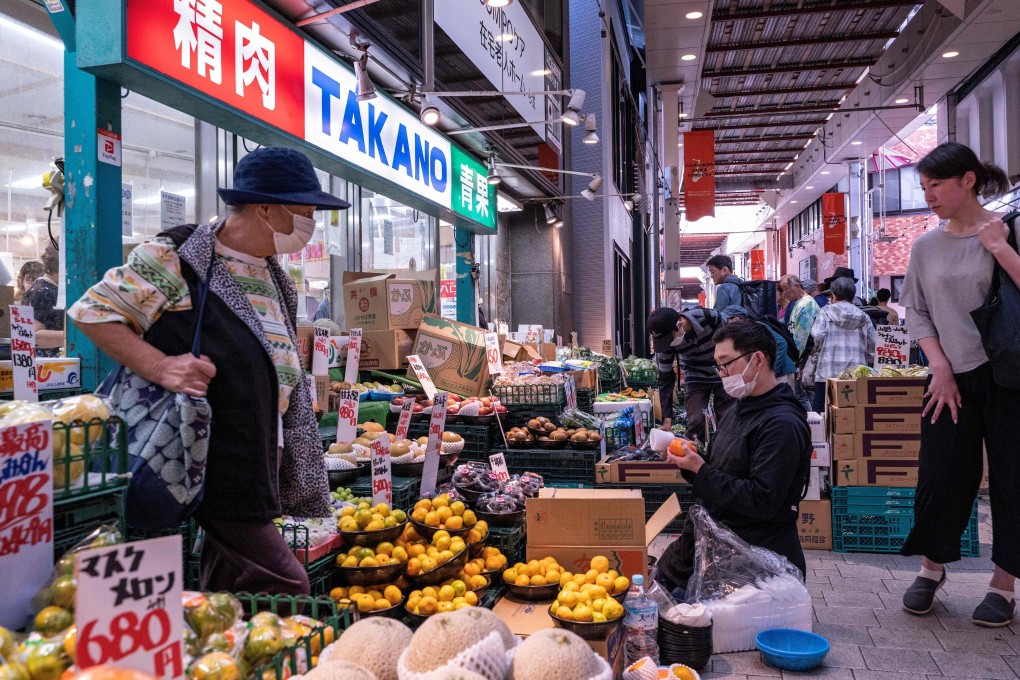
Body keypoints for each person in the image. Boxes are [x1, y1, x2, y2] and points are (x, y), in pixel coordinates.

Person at [69, 146, 350, 595]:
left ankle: (220, 647)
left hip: (257, 450)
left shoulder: (275, 274)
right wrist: (162, 366)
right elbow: (91, 312)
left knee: (229, 578)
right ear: (264, 208)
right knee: (285, 579)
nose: (311, 221)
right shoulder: (177, 256)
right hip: (207, 454)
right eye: (305, 210)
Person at [896, 142, 1019, 627]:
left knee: (1012, 478)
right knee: (941, 474)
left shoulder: (1006, 228)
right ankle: (932, 567)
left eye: (936, 185)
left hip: (1010, 377)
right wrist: (940, 367)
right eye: (923, 187)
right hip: (950, 375)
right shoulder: (925, 246)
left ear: (968, 180)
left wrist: (1000, 247)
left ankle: (1004, 585)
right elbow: (918, 310)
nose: (928, 195)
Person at [655, 321, 812, 593]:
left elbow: (762, 499)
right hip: (715, 547)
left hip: (752, 563)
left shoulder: (782, 424)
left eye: (726, 363)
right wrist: (693, 461)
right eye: (718, 365)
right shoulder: (738, 407)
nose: (722, 374)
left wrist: (702, 470)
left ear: (758, 359)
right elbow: (726, 470)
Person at [648, 306, 734, 443]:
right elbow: (665, 378)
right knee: (695, 421)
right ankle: (696, 455)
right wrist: (667, 418)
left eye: (669, 339)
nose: (668, 344)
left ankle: (725, 453)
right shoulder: (666, 344)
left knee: (728, 418)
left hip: (724, 371)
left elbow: (735, 340)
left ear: (679, 324)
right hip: (695, 375)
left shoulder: (710, 318)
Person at [808, 277, 877, 413]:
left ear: (833, 295)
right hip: (855, 375)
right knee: (853, 414)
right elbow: (873, 347)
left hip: (827, 373)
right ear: (852, 296)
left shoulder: (825, 312)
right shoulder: (864, 317)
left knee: (822, 412)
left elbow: (817, 336)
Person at [720, 305, 796, 386]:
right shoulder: (742, 332)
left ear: (736, 319)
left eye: (726, 320)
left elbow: (782, 343)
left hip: (783, 373)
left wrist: (774, 370)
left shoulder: (756, 327)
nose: (724, 324)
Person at [26, 245, 65, 357]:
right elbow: (35, 335)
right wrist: (71, 336)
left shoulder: (53, 288)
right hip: (47, 365)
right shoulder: (41, 291)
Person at [778, 274, 819, 358]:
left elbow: (801, 340)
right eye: (782, 290)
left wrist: (792, 359)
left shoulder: (806, 305)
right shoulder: (799, 303)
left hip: (804, 357)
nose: (784, 293)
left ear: (797, 286)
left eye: (786, 289)